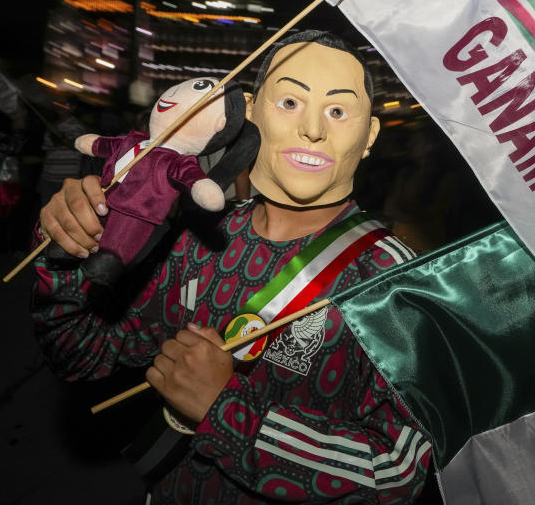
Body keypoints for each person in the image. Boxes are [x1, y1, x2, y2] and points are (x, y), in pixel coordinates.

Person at [32, 30, 428, 503]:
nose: (314, 130)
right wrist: (66, 251)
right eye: (289, 103)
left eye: (338, 111)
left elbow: (399, 472)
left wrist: (225, 412)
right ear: (252, 113)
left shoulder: (396, 281)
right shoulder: (197, 239)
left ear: (370, 137)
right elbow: (81, 353)